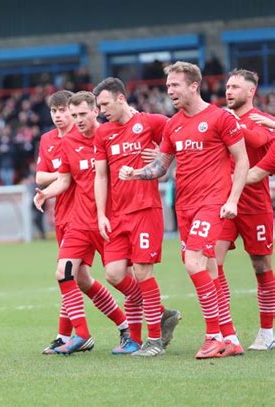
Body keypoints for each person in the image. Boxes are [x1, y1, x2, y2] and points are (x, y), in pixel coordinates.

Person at [119, 61, 249, 359]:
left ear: (193, 85)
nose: (170, 91)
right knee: (210, 267)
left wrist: (232, 200)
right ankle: (231, 337)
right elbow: (162, 165)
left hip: (212, 202)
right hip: (185, 207)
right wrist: (137, 173)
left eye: (175, 85)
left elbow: (241, 160)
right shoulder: (173, 124)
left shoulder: (220, 118)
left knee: (194, 263)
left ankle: (214, 335)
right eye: (168, 86)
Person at [34, 91, 133, 355]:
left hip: (110, 220)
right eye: (70, 113)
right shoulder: (61, 142)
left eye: (76, 113)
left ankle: (148, 318)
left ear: (95, 111)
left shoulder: (110, 135)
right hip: (77, 222)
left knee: (121, 278)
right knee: (66, 274)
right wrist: (46, 192)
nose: (71, 118)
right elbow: (62, 179)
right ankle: (80, 335)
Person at [93, 77, 181, 356]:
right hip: (117, 215)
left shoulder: (152, 122)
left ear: (121, 98)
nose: (101, 110)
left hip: (145, 210)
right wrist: (100, 214)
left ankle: (153, 341)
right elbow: (101, 175)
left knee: (142, 272)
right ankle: (163, 313)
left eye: (105, 104)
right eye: (99, 106)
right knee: (114, 273)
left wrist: (162, 157)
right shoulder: (103, 133)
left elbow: (180, 138)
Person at [216, 69, 275, 351]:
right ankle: (225, 330)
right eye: (227, 86)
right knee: (211, 262)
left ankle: (267, 332)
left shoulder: (263, 122)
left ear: (251, 92)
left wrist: (229, 123)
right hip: (221, 204)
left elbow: (256, 141)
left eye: (235, 87)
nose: (228, 91)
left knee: (261, 265)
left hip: (254, 205)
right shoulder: (219, 119)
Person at [35, 90, 79, 353]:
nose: (58, 116)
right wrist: (63, 172)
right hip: (62, 214)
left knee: (119, 273)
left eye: (63, 110)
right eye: (54, 111)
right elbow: (40, 177)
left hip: (88, 214)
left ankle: (148, 317)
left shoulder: (84, 135)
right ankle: (65, 336)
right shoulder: (47, 139)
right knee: (71, 275)